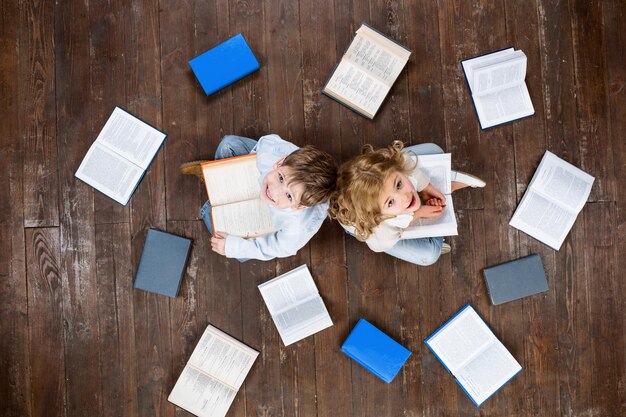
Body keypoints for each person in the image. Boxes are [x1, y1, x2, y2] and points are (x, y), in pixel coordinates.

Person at [181, 134, 337, 261]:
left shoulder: (297, 228)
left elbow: (275, 248)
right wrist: (243, 168)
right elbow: (266, 141)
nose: (275, 191)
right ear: (279, 162)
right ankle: (215, 176)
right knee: (228, 144)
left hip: (264, 222)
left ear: (298, 206)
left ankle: (213, 185)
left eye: (289, 196)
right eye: (281, 178)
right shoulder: (271, 154)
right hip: (257, 172)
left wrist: (233, 247)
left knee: (218, 225)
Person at [328, 140, 485, 266]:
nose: (404, 197)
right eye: (390, 202)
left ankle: (445, 184)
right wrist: (419, 213)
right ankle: (444, 184)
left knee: (433, 149)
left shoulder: (390, 166)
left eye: (398, 184)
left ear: (397, 170)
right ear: (378, 214)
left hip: (369, 186)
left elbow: (405, 160)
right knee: (430, 254)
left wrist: (426, 186)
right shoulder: (381, 232)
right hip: (372, 229)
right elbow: (379, 245)